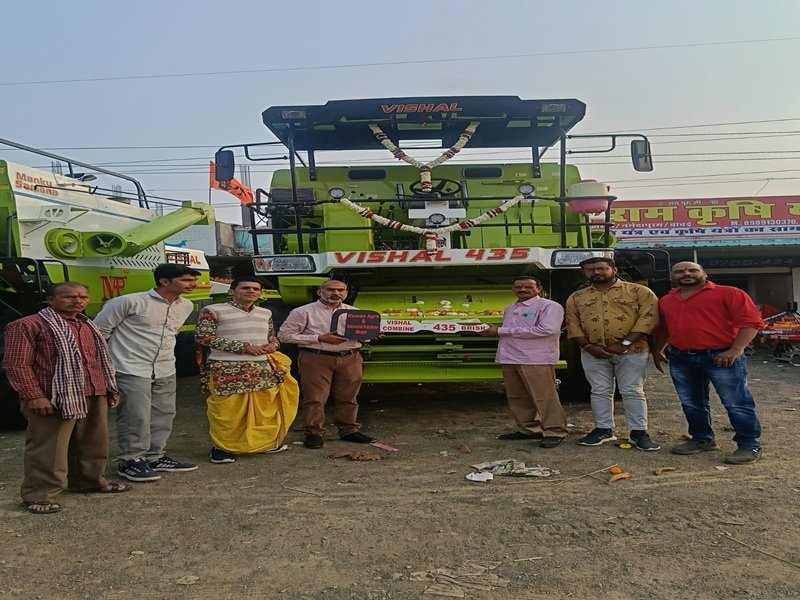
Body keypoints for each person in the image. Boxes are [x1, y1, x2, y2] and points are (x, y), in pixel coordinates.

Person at [2, 282, 129, 514]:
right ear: (50, 299)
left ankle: (89, 481)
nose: (77, 301)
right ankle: (39, 495)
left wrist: (108, 389)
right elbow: (16, 364)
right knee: (49, 449)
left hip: (92, 391)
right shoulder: (27, 325)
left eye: (82, 297)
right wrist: (33, 396)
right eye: (69, 297)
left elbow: (97, 360)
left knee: (93, 442)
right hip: (52, 396)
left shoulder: (87, 324)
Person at [93, 263, 200, 482]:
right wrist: (101, 367)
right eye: (186, 280)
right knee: (135, 415)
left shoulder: (186, 305)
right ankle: (131, 459)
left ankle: (154, 456)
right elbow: (98, 333)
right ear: (164, 281)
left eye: (193, 280)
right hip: (130, 366)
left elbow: (171, 334)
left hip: (165, 367)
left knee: (164, 413)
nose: (193, 284)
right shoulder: (129, 302)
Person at [653, 262, 765, 465]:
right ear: (671, 276)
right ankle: (702, 439)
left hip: (722, 356)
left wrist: (735, 350)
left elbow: (751, 323)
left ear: (704, 274)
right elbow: (664, 329)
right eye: (679, 271)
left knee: (736, 403)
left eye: (692, 270)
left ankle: (749, 444)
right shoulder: (667, 300)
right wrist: (657, 349)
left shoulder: (729, 293)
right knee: (691, 403)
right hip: (682, 358)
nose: (686, 273)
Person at [195, 277, 299, 464]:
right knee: (228, 411)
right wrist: (244, 347)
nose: (251, 291)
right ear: (231, 292)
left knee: (263, 409)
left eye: (256, 289)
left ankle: (265, 444)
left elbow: (272, 337)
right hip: (226, 368)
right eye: (245, 288)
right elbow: (204, 337)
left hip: (261, 367)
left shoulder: (265, 313)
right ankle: (222, 448)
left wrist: (273, 345)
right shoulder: (213, 310)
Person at [565, 257, 661, 450]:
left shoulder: (638, 291)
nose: (596, 272)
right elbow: (572, 323)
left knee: (632, 390)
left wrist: (624, 343)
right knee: (599, 390)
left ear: (614, 269)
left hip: (632, 351)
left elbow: (649, 318)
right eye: (590, 269)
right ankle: (603, 429)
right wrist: (587, 346)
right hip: (593, 352)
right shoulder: (577, 297)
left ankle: (639, 432)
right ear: (584, 273)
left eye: (601, 268)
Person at [277, 279, 374, 449]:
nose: (336, 293)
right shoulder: (303, 312)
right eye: (330, 289)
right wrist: (319, 338)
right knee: (315, 397)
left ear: (346, 293)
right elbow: (284, 336)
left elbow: (362, 336)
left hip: (350, 357)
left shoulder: (355, 312)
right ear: (319, 292)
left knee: (349, 396)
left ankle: (349, 430)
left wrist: (371, 335)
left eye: (340, 290)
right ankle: (314, 433)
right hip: (316, 357)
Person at [480, 276, 568, 448]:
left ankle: (555, 430)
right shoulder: (510, 308)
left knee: (544, 397)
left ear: (539, 289)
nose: (522, 289)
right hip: (510, 357)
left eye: (528, 287)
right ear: (513, 289)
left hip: (536, 358)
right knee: (517, 397)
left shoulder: (549, 306)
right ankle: (529, 428)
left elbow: (547, 330)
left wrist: (500, 331)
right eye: (518, 287)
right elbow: (509, 333)